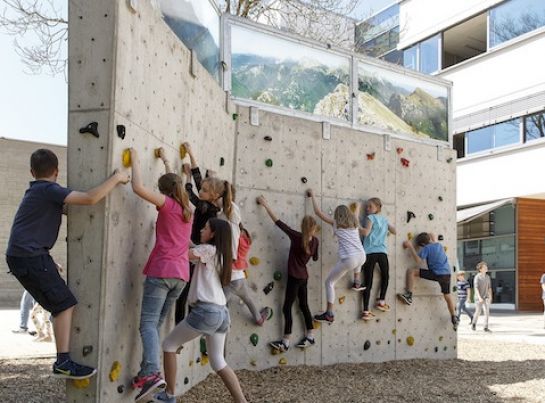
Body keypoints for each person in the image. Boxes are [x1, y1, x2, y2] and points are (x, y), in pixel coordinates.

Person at [5, 148, 128, 379]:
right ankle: (63, 362)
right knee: (64, 304)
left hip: (26, 255)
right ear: (57, 172)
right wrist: (117, 178)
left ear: (32, 171)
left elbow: (54, 214)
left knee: (59, 303)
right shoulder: (49, 190)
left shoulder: (35, 193)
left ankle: (62, 358)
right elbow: (90, 198)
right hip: (30, 256)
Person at [155, 219, 247, 403]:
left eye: (205, 228)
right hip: (221, 313)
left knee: (169, 345)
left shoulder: (207, 250)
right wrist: (186, 236)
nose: (201, 230)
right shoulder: (219, 253)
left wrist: (170, 231)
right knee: (218, 361)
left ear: (213, 234)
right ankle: (242, 402)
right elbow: (195, 247)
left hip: (206, 312)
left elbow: (182, 254)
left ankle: (169, 395)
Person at [128, 148, 193, 401]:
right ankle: (146, 372)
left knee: (146, 323)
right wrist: (166, 162)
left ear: (164, 192)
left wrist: (135, 160)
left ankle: (153, 372)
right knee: (154, 325)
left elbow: (137, 188)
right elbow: (175, 184)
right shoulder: (188, 209)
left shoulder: (167, 205)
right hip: (181, 277)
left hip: (162, 272)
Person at [257, 195, 320, 352]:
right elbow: (316, 258)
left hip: (294, 277)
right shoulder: (316, 241)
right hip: (304, 277)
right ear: (314, 228)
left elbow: (278, 222)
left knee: (287, 307)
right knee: (304, 305)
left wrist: (265, 204)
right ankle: (310, 335)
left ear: (302, 226)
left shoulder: (296, 236)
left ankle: (285, 341)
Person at [175, 143, 220, 323]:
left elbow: (192, 189)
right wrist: (189, 165)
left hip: (195, 252)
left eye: (205, 190)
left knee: (184, 295)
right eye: (201, 189)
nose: (201, 191)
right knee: (183, 295)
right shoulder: (208, 206)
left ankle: (181, 328)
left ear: (214, 195)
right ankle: (182, 327)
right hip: (193, 247)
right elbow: (196, 182)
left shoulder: (207, 208)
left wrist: (189, 167)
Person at [307, 189, 366, 324]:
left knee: (329, 282)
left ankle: (329, 313)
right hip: (362, 256)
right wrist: (358, 206)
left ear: (337, 215)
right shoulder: (355, 223)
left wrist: (313, 195)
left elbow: (317, 213)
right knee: (358, 261)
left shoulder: (336, 223)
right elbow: (356, 213)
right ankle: (357, 281)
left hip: (350, 259)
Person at [397, 232, 459, 331]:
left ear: (422, 245)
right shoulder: (438, 245)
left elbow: (418, 260)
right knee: (447, 296)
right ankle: (454, 316)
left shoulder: (426, 248)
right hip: (447, 274)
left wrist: (410, 246)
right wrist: (430, 236)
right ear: (430, 239)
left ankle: (409, 295)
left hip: (436, 273)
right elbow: (432, 237)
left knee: (411, 272)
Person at [358, 197, 396, 321]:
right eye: (367, 207)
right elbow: (394, 230)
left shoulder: (370, 218)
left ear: (378, 208)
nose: (367, 209)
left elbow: (365, 233)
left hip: (370, 252)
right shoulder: (384, 219)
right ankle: (381, 301)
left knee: (368, 281)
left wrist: (356, 225)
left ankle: (366, 310)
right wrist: (385, 229)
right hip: (382, 252)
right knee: (385, 276)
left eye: (370, 206)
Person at [227, 222, 270, 326]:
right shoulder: (246, 242)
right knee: (247, 299)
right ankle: (259, 319)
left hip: (232, 277)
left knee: (221, 302)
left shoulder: (237, 240)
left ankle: (222, 323)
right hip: (240, 277)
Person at [471, 261, 492, 332]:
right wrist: (479, 298)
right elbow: (476, 288)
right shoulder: (477, 277)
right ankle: (474, 323)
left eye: (486, 267)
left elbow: (489, 287)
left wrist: (490, 296)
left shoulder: (487, 277)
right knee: (478, 312)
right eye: (485, 267)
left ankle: (485, 327)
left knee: (487, 312)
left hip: (485, 297)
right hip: (478, 298)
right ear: (480, 269)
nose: (486, 268)